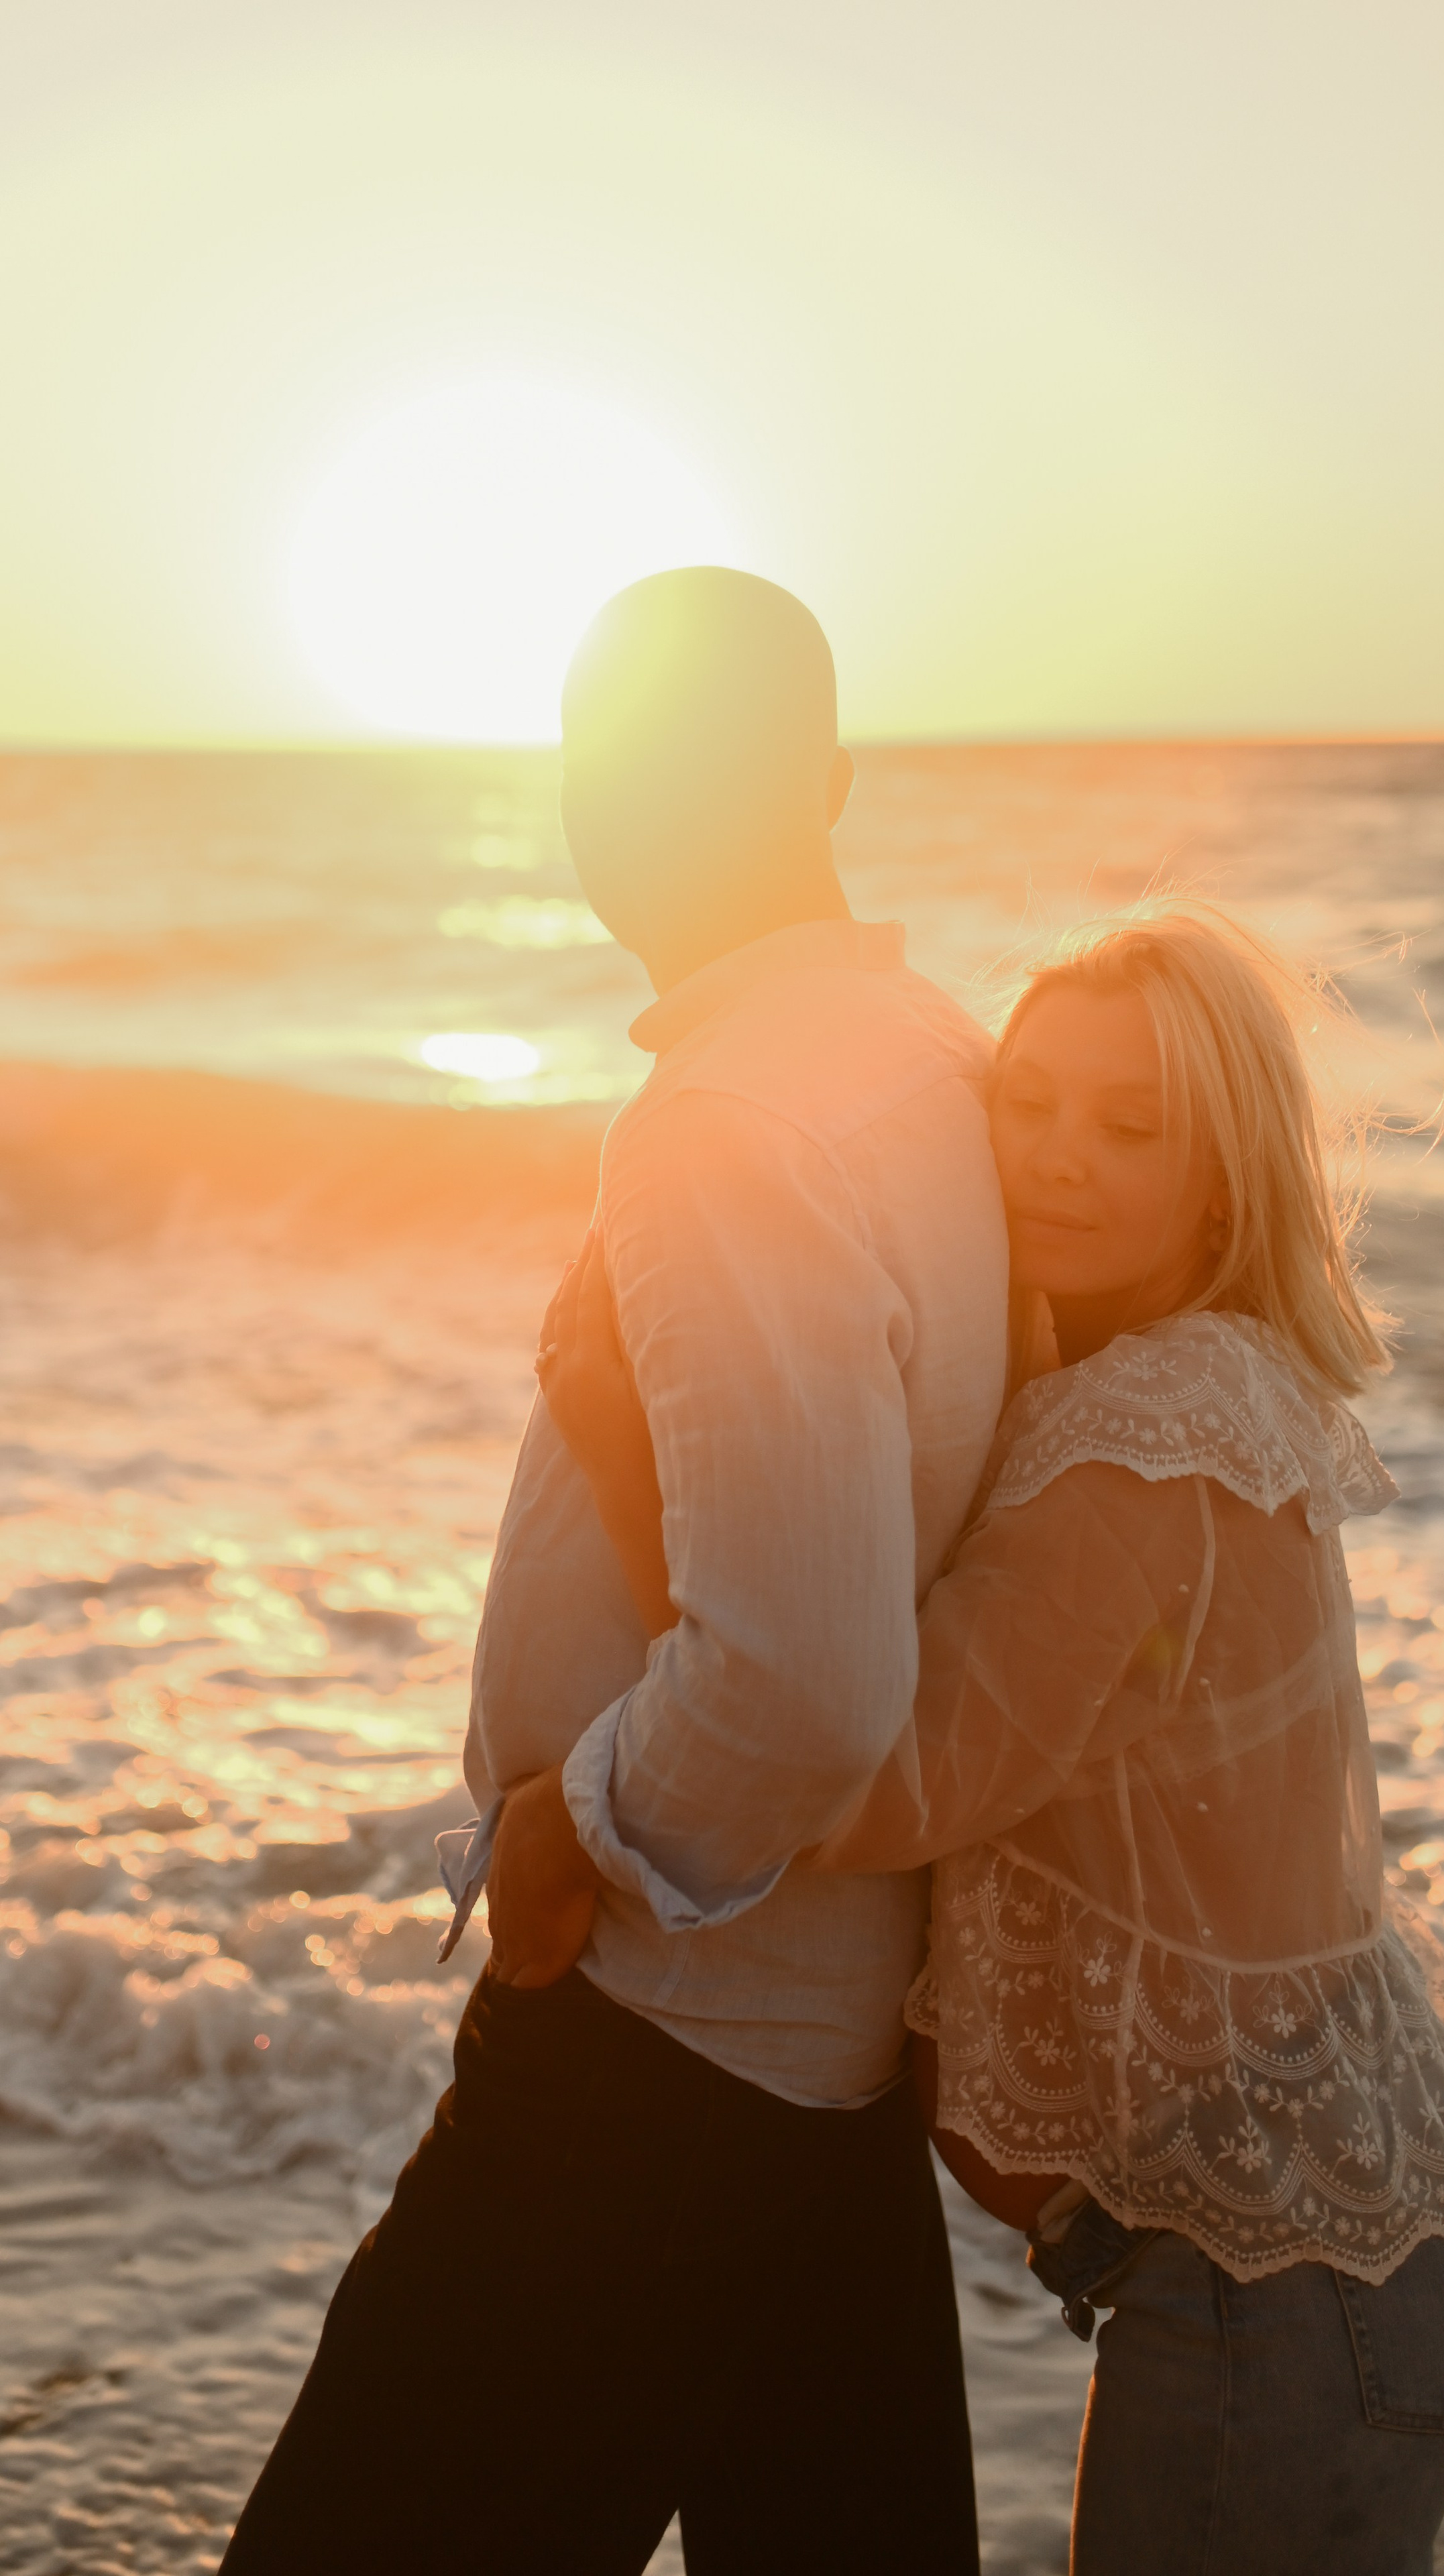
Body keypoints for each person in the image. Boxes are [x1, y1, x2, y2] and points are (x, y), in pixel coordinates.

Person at [553, 902, 1444, 2576]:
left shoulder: (1141, 1445)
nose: (1057, 1157)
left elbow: (854, 1762)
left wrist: (627, 1455)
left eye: (1129, 1127)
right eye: (1029, 1102)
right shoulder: (1205, 1384)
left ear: (1220, 1176)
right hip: (1347, 2255)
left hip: (1290, 2295)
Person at [221, 568, 1007, 2575]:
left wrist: (574, 1824)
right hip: (817, 2068)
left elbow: (810, 1674)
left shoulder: (730, 1118)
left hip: (660, 2052)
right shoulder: (932, 1057)